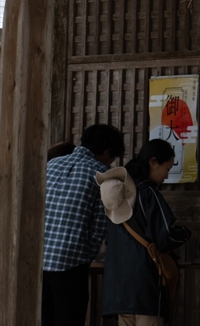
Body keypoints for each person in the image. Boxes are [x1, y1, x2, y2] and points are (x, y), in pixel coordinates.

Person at [101, 139, 191, 326]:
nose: (166, 176)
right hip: (145, 285)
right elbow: (165, 237)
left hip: (119, 288)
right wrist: (185, 233)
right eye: (166, 169)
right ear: (153, 162)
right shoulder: (148, 194)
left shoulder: (118, 196)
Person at [42, 123, 125, 326]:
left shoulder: (51, 165)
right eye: (111, 158)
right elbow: (98, 229)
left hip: (40, 262)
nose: (110, 163)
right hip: (71, 266)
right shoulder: (102, 176)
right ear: (106, 152)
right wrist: (84, 257)